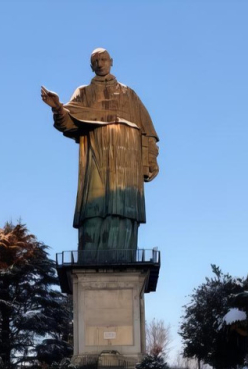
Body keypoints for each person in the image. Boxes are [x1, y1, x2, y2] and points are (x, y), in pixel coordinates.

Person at [41, 48, 160, 261]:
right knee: (93, 209)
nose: (100, 63)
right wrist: (57, 107)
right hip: (95, 157)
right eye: (95, 61)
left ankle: (123, 258)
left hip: (127, 162)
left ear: (111, 61)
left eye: (103, 59)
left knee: (124, 209)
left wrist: (150, 159)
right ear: (91, 66)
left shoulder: (129, 94)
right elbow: (67, 123)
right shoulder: (84, 93)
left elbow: (148, 131)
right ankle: (91, 257)